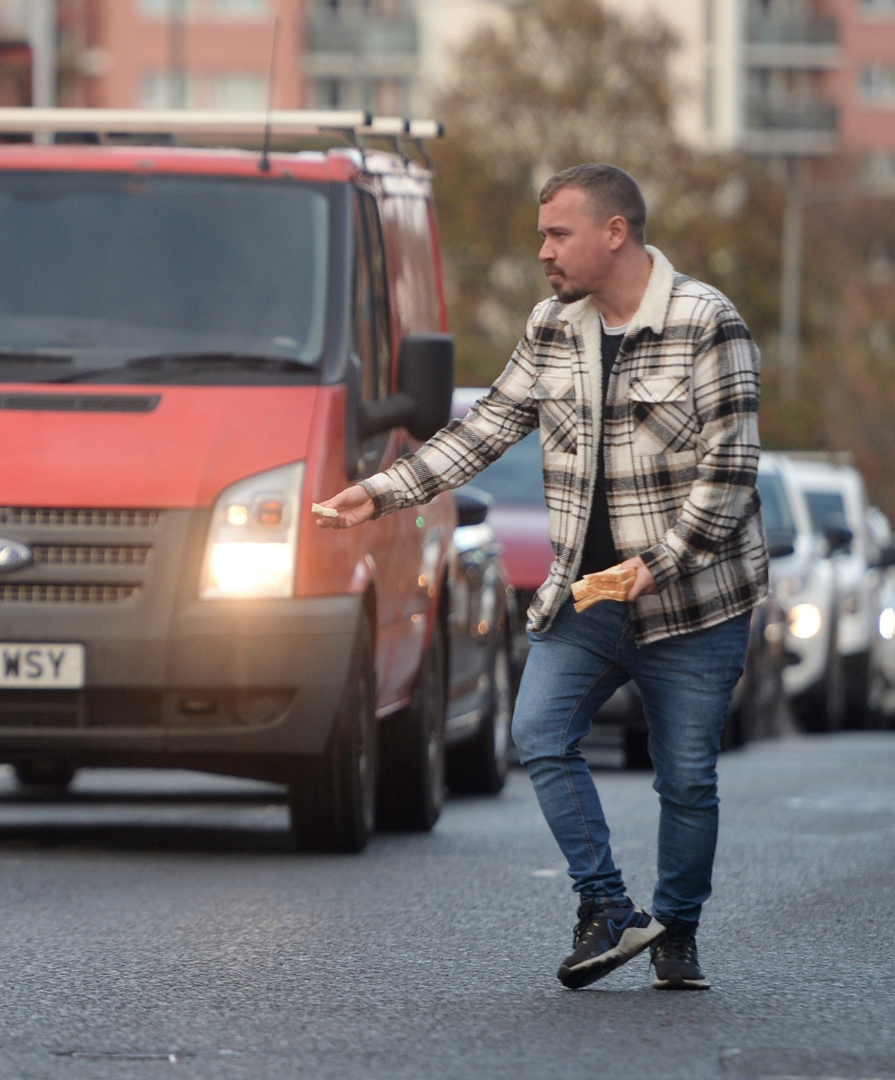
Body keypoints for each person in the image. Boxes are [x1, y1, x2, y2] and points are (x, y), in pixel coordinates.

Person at [317, 163, 766, 991]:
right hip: (587, 595)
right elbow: (482, 430)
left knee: (687, 777)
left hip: (695, 601)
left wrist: (657, 564)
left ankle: (677, 933)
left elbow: (731, 477)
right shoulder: (553, 327)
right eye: (541, 235)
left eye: (558, 234)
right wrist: (378, 494)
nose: (543, 252)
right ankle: (606, 906)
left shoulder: (709, 323)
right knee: (538, 734)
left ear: (614, 233)